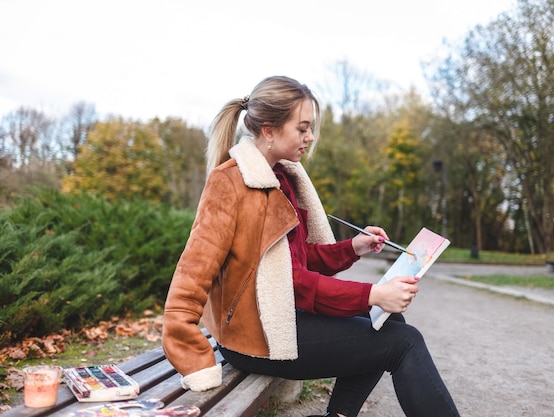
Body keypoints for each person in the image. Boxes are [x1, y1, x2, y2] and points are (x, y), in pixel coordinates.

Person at [162, 76, 460, 417]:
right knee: (403, 343)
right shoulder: (229, 184)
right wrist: (372, 295)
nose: (311, 137)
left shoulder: (282, 179)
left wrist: (355, 247)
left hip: (285, 318)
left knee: (392, 323)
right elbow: (193, 275)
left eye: (311, 128)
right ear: (270, 130)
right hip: (255, 337)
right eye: (303, 128)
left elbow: (300, 261)